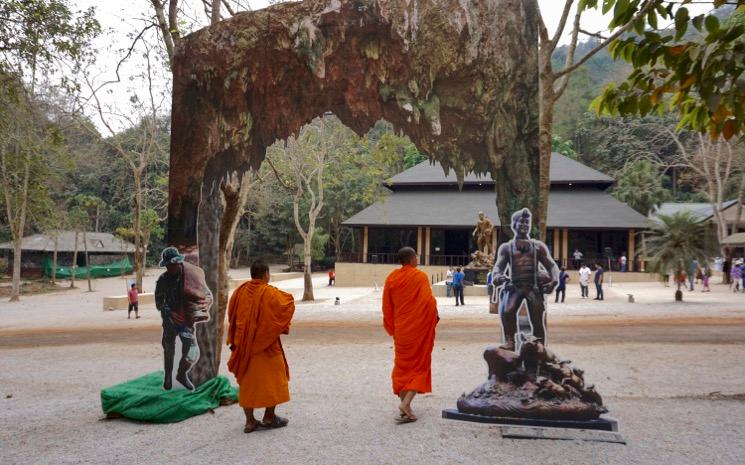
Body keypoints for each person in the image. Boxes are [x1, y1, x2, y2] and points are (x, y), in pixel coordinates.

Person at [227, 260, 295, 433]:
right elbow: (287, 304)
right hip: (266, 347)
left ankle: (250, 422)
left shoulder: (239, 292)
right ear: (266, 274)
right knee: (275, 379)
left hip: (244, 347)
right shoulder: (270, 292)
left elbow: (232, 317)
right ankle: (269, 417)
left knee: (247, 383)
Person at [382, 247, 439, 423]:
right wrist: (433, 318)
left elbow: (386, 307)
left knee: (402, 368)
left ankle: (405, 407)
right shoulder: (419, 276)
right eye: (416, 256)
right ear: (412, 258)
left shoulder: (391, 278)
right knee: (419, 366)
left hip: (401, 331)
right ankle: (405, 404)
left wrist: (393, 328)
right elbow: (428, 303)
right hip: (417, 331)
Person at [491, 208, 559, 350]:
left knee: (537, 317)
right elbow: (498, 267)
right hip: (514, 286)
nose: (524, 224)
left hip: (532, 287)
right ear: (514, 224)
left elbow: (551, 265)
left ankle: (539, 345)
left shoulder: (538, 246)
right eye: (521, 221)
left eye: (527, 222)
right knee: (507, 312)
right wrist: (497, 277)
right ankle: (510, 342)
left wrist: (554, 281)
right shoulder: (507, 247)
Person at [155, 247, 213, 391]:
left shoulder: (192, 276)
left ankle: (181, 374)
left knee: (193, 351)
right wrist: (169, 312)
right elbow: (159, 302)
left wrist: (207, 301)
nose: (170, 267)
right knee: (169, 348)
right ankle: (168, 375)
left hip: (186, 320)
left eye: (172, 264)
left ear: (178, 262)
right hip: (170, 321)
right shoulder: (163, 279)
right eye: (168, 265)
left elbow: (208, 295)